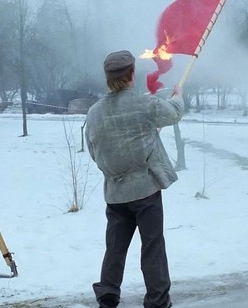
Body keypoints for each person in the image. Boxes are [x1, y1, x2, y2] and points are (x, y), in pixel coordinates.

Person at [85, 50, 184, 308]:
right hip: (146, 191)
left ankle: (107, 294)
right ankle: (157, 300)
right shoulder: (144, 103)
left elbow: (95, 152)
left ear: (108, 79)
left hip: (115, 194)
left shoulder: (94, 113)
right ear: (132, 74)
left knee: (115, 247)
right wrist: (177, 97)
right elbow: (172, 113)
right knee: (152, 246)